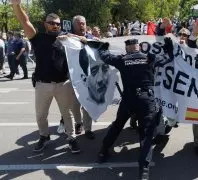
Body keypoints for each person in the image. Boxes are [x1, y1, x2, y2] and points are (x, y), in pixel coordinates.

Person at [96, 38, 174, 180]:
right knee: (146, 134)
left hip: (128, 100)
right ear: (139, 48)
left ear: (127, 49)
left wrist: (103, 46)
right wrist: (168, 46)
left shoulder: (122, 59)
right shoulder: (149, 58)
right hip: (146, 100)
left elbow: (104, 56)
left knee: (117, 125)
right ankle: (144, 170)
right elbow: (168, 57)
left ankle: (102, 152)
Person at [11, 0, 80, 153]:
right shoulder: (37, 38)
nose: (55, 26)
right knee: (41, 115)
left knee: (67, 114)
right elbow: (25, 21)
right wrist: (16, 5)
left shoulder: (66, 39)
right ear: (45, 24)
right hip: (43, 84)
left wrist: (71, 37)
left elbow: (85, 41)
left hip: (63, 84)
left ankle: (72, 138)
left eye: (58, 24)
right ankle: (44, 136)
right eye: (52, 23)